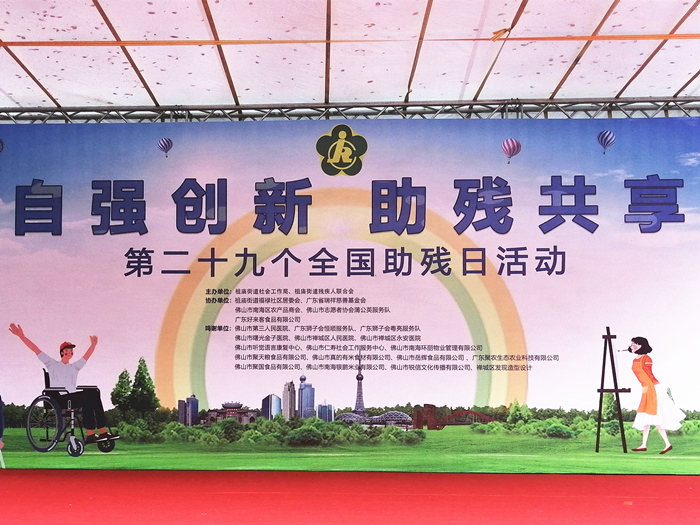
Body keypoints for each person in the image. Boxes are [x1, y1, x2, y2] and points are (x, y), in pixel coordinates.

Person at [8, 323, 118, 444]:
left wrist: (93, 345)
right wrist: (21, 336)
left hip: (72, 399)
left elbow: (86, 357)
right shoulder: (52, 364)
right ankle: (100, 431)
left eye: (71, 350)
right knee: (91, 394)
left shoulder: (74, 367)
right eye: (67, 350)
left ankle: (93, 434)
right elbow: (36, 349)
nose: (69, 352)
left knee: (92, 394)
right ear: (62, 352)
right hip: (60, 399)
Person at [627, 336, 684, 454]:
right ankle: (644, 444)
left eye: (634, 344)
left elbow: (648, 374)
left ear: (641, 345)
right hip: (646, 388)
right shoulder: (636, 359)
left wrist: (650, 390)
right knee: (646, 416)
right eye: (631, 344)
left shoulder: (646, 358)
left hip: (653, 387)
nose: (632, 346)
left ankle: (666, 444)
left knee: (655, 415)